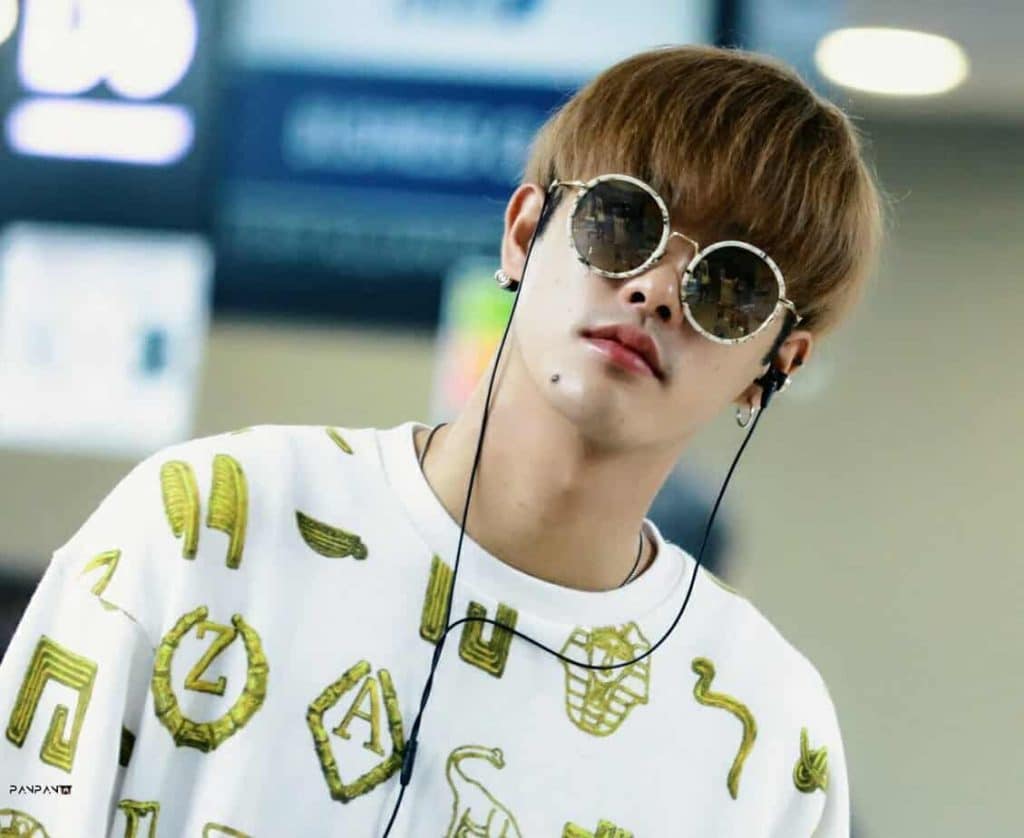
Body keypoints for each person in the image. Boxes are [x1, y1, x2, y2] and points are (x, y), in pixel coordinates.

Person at [0, 44, 885, 837]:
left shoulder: (768, 733)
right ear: (525, 232)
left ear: (776, 363)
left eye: (730, 286)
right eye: (622, 223)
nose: (654, 290)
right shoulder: (205, 523)